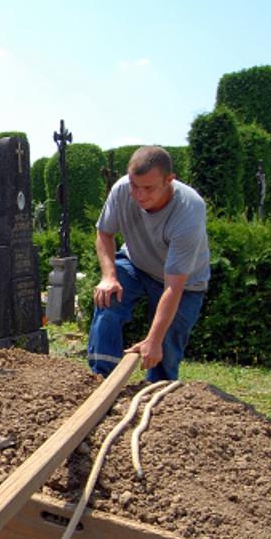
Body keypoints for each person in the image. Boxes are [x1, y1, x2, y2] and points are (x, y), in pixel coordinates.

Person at [87, 146, 210, 382]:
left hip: (184, 283)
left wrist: (153, 341)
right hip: (136, 264)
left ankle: (158, 393)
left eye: (149, 188)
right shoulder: (122, 189)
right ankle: (101, 378)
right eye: (135, 186)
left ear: (169, 180)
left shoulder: (189, 210)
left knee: (166, 345)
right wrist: (109, 277)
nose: (140, 195)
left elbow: (174, 286)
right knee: (108, 300)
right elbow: (104, 233)